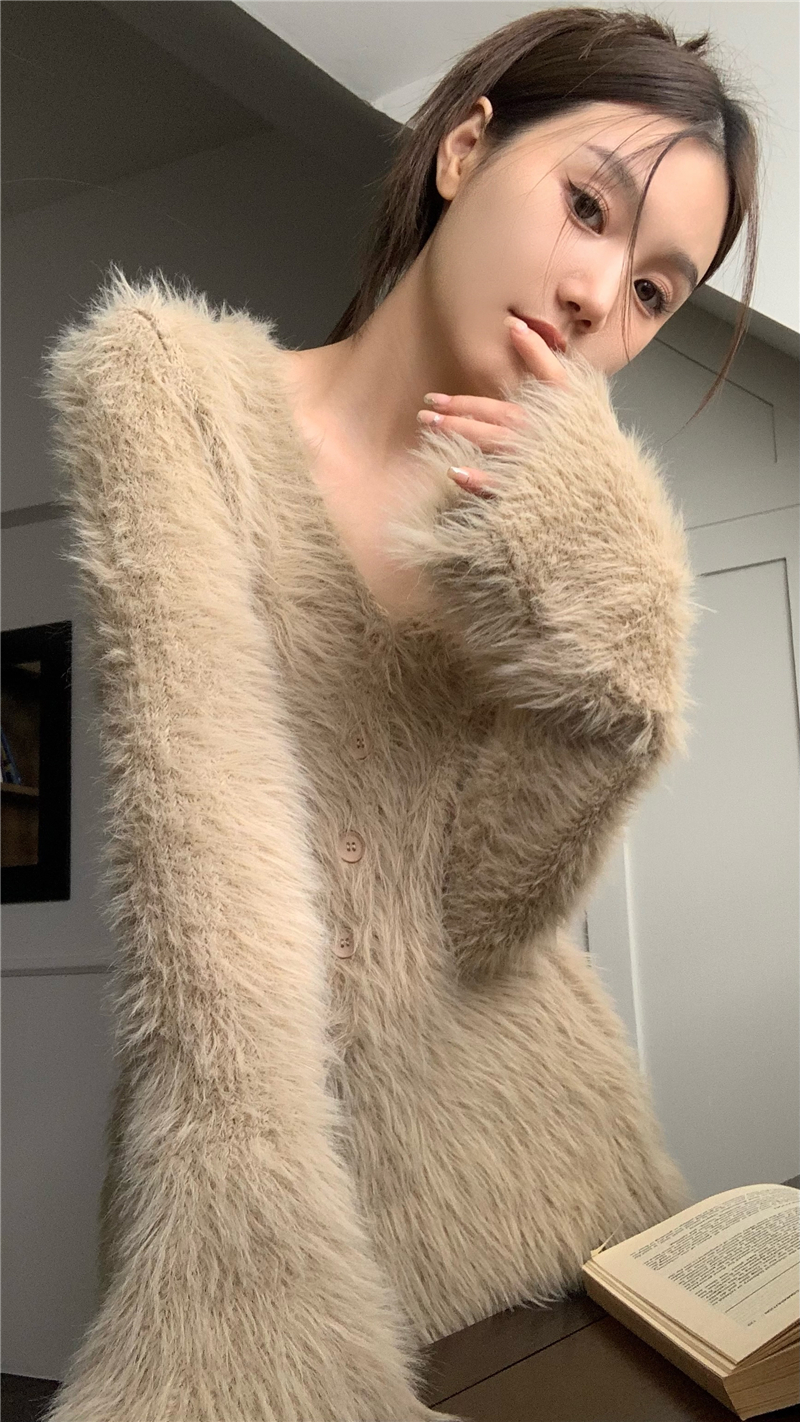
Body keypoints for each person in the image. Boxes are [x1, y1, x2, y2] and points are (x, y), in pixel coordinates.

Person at [40, 8, 760, 1422]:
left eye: (654, 292)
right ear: (466, 150)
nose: (596, 295)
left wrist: (619, 651)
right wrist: (240, 1255)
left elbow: (491, 917)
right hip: (257, 1186)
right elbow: (203, 872)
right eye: (587, 207)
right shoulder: (178, 390)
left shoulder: (540, 540)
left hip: (557, 1180)